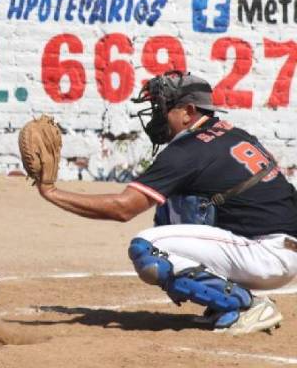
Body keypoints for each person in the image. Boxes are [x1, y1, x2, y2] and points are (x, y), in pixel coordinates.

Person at [35, 70, 297, 335]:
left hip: (263, 254)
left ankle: (248, 305)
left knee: (147, 247)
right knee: (170, 209)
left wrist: (52, 192)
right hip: (277, 248)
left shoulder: (188, 150)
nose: (157, 116)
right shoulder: (232, 134)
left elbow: (123, 208)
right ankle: (226, 301)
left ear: (188, 111)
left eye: (163, 108)